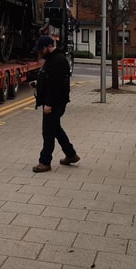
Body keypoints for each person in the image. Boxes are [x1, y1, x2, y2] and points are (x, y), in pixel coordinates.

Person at [31, 35, 79, 173]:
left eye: (41, 49)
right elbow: (48, 78)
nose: (40, 52)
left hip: (54, 103)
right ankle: (71, 154)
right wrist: (37, 83)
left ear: (49, 47)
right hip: (54, 102)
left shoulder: (57, 61)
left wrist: (49, 104)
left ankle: (45, 162)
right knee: (55, 129)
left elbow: (56, 85)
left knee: (48, 133)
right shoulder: (52, 59)